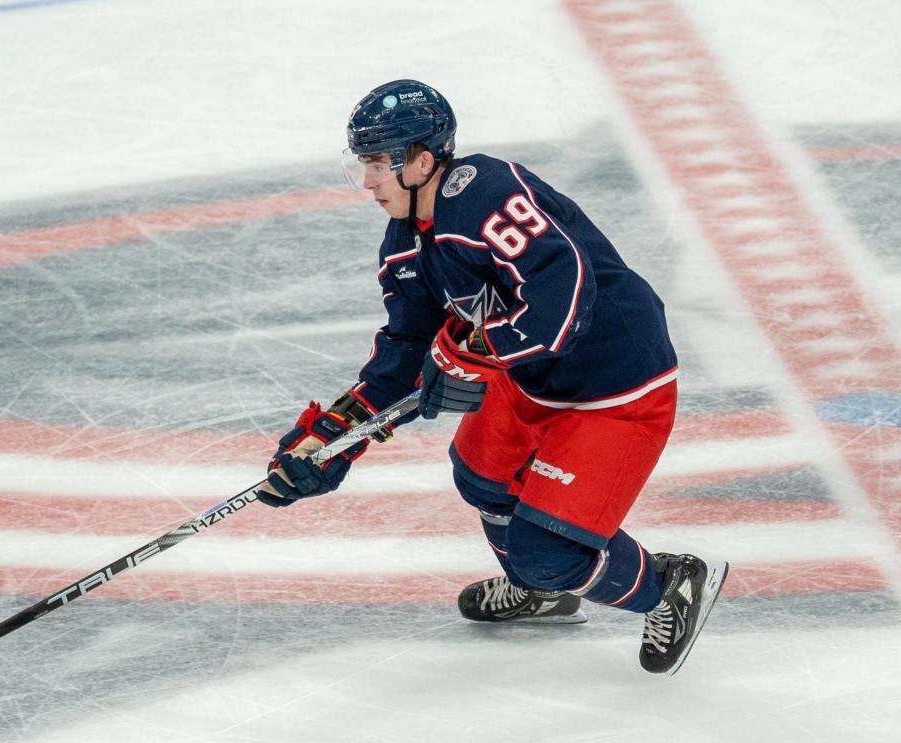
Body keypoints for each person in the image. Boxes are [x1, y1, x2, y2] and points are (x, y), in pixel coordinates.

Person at [256, 79, 729, 675]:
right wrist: (330, 439)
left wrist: (472, 351)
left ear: (423, 160)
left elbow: (564, 303)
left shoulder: (488, 193)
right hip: (531, 378)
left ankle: (667, 583)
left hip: (616, 388)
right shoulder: (406, 245)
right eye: (363, 164)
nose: (369, 180)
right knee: (480, 476)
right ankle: (540, 590)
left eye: (379, 162)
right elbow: (404, 354)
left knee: (549, 552)